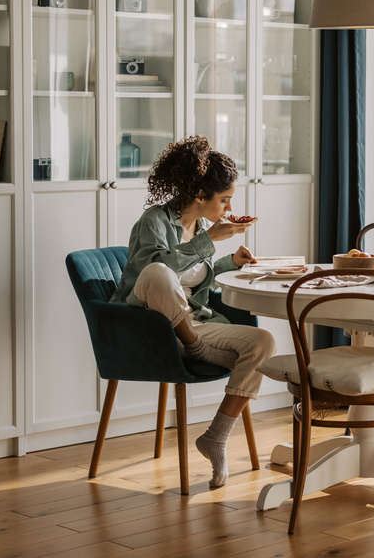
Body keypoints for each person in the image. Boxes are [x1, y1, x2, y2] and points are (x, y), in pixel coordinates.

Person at [109, 135, 276, 488]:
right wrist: (210, 241)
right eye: (225, 200)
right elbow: (156, 273)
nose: (230, 209)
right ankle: (196, 348)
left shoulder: (201, 227)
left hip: (193, 321)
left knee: (262, 343)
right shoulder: (155, 221)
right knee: (158, 272)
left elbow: (197, 280)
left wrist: (230, 261)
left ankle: (215, 436)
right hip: (151, 328)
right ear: (200, 196)